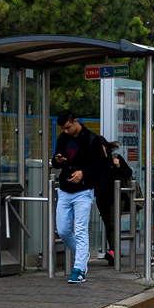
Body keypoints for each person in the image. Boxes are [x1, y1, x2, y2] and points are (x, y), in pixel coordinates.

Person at [53, 110, 107, 283]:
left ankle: (79, 270)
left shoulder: (92, 139)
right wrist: (57, 160)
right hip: (65, 189)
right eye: (63, 128)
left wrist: (83, 173)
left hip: (84, 191)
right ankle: (82, 256)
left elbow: (101, 164)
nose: (66, 131)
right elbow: (54, 161)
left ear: (76, 121)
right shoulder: (62, 138)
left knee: (81, 229)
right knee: (62, 230)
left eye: (68, 127)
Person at [96, 140, 134, 266]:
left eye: (99, 145)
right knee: (108, 224)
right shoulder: (95, 160)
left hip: (118, 197)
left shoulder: (116, 158)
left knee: (112, 223)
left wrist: (118, 166)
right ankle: (113, 253)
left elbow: (128, 173)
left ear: (105, 146)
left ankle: (113, 252)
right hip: (102, 198)